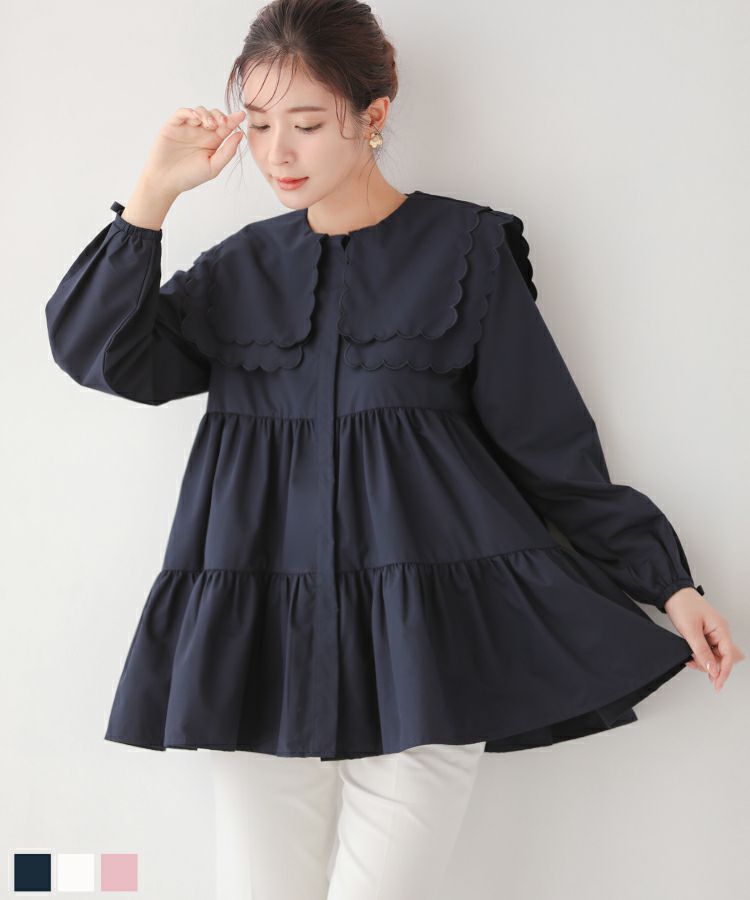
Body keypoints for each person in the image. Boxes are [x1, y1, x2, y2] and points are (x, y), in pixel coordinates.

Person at [44, 0, 744, 897]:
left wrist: (667, 582)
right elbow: (100, 354)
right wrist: (152, 195)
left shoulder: (465, 251)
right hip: (262, 642)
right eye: (258, 124)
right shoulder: (237, 271)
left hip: (425, 649)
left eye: (306, 124)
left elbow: (549, 445)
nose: (277, 153)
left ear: (373, 115)